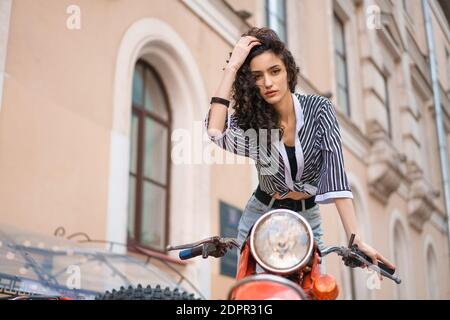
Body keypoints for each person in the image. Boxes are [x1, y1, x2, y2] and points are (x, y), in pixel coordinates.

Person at [204, 27, 395, 277]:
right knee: (253, 291)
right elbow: (215, 131)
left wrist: (355, 238)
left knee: (314, 289)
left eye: (275, 71)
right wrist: (233, 67)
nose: (268, 83)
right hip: (262, 215)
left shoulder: (320, 110)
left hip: (307, 219)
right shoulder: (253, 120)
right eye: (257, 76)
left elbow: (335, 172)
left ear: (288, 72)